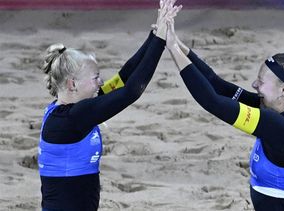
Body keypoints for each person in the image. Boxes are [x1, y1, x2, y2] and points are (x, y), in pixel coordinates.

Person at [37, 1, 181, 210]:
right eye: (95, 77)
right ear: (72, 84)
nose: (101, 83)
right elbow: (131, 91)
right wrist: (160, 42)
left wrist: (155, 33)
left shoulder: (69, 110)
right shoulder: (75, 117)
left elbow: (124, 78)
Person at [165, 18, 284, 211]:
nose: (254, 85)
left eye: (261, 81)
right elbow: (217, 86)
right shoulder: (272, 111)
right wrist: (177, 44)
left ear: (283, 90)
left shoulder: (281, 129)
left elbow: (212, 102)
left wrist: (173, 51)